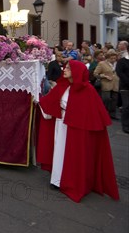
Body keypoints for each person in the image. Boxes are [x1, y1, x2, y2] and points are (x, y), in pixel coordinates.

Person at [37, 60, 119, 202]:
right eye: (65, 67)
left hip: (77, 130)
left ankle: (72, 182)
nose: (64, 69)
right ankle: (57, 180)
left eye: (68, 68)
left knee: (74, 155)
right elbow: (47, 102)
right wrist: (36, 99)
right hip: (61, 124)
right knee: (59, 152)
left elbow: (93, 115)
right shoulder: (61, 86)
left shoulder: (88, 90)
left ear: (77, 71)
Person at [94, 50, 119, 119]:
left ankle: (112, 114)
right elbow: (95, 73)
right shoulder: (102, 63)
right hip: (106, 83)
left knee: (115, 99)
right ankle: (103, 113)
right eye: (111, 58)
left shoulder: (118, 63)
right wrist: (104, 76)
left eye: (114, 58)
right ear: (107, 58)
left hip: (115, 83)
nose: (113, 60)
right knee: (106, 99)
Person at [116, 40, 129, 133]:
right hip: (125, 87)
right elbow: (120, 73)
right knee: (126, 106)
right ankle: (126, 126)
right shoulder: (122, 61)